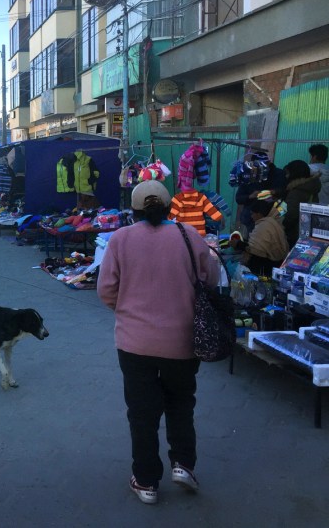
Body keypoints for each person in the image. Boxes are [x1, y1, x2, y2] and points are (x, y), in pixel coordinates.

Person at [96, 180, 219, 506]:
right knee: (181, 403)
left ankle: (147, 481)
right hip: (182, 341)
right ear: (168, 208)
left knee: (141, 413)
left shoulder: (120, 239)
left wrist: (129, 311)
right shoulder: (188, 235)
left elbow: (105, 290)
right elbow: (210, 279)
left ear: (133, 210)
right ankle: (184, 465)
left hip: (134, 344)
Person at [230, 200, 288, 277]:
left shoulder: (264, 226)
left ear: (259, 213)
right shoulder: (273, 222)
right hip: (276, 264)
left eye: (252, 213)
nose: (251, 216)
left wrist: (238, 244)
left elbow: (255, 250)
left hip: (264, 269)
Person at [234, 150, 286, 236]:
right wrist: (251, 196)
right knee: (252, 240)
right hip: (251, 219)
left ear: (268, 163)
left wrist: (273, 192)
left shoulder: (279, 174)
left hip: (273, 217)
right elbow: (238, 198)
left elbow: (284, 193)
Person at [282, 159, 320, 248]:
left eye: (288, 173)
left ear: (294, 174)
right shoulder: (312, 188)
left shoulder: (296, 192)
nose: (286, 176)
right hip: (306, 232)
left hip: (293, 234)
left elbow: (288, 215)